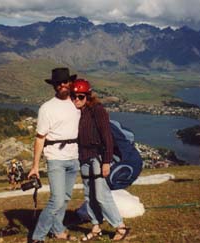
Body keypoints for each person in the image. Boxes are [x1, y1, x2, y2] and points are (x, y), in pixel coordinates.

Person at [71, 79, 129, 242]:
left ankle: (120, 226)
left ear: (88, 96)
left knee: (102, 195)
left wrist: (106, 161)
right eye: (73, 96)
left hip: (98, 157)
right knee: (90, 195)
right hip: (84, 158)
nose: (76, 99)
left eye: (80, 96)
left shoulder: (98, 110)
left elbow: (107, 137)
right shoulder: (78, 112)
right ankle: (96, 227)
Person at [27, 67, 81, 243]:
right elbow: (40, 138)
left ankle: (57, 230)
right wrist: (35, 166)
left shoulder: (77, 103)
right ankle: (37, 237)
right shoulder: (47, 108)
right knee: (57, 200)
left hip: (73, 158)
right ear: (54, 86)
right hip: (56, 159)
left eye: (65, 81)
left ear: (70, 82)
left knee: (65, 198)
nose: (62, 85)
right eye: (58, 83)